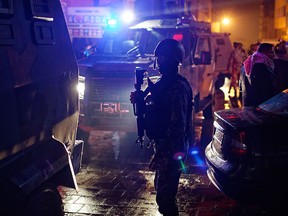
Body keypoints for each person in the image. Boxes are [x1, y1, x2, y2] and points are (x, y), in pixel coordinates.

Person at [130, 39, 193, 216]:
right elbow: (154, 108)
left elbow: (178, 125)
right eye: (159, 58)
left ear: (173, 61)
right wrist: (140, 100)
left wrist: (162, 152)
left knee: (165, 199)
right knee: (162, 194)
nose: (160, 63)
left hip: (172, 149)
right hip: (164, 147)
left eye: (164, 58)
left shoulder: (178, 87)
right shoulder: (163, 83)